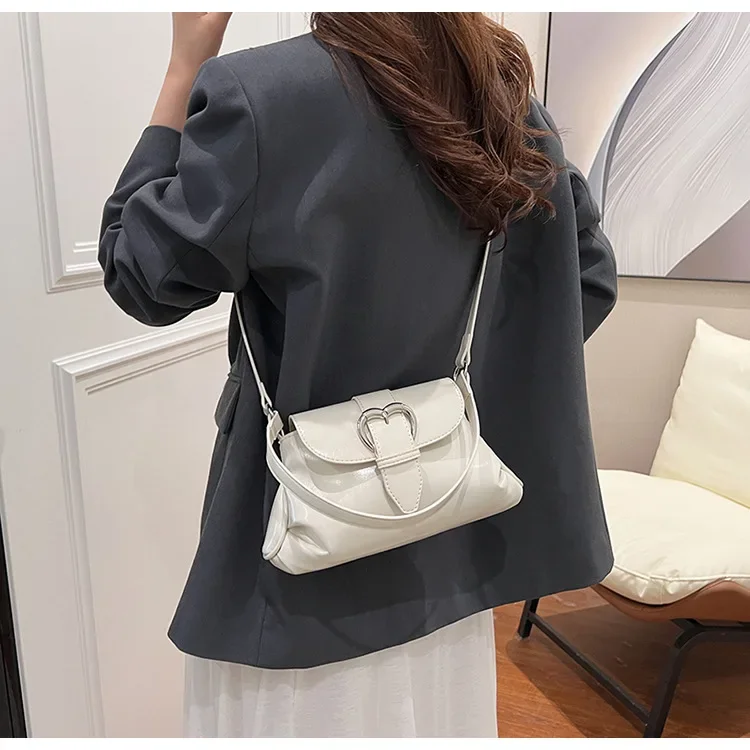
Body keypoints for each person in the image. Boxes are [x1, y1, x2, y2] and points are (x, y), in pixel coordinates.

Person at [99, 12, 617, 739]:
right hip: (447, 542)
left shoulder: (259, 93)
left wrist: (185, 63)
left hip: (301, 561)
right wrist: (444, 398)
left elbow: (139, 276)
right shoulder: (498, 89)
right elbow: (585, 278)